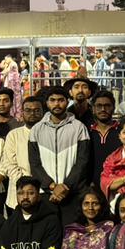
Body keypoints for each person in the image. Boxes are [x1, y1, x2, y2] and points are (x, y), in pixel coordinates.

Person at [29, 85, 92, 226]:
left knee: (71, 240)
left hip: (73, 194)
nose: (56, 104)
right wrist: (51, 186)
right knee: (49, 239)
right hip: (47, 194)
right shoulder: (36, 130)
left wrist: (65, 186)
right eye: (52, 100)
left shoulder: (79, 127)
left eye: (61, 100)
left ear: (67, 101)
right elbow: (34, 163)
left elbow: (82, 162)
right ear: (46, 103)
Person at [2, 95, 44, 211]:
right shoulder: (14, 135)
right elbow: (10, 165)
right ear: (22, 112)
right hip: (18, 193)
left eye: (36, 110)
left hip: (43, 192)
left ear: (43, 112)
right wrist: (27, 188)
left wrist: (40, 186)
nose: (32, 114)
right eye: (28, 110)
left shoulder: (48, 134)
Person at [87, 90, 122, 187]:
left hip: (118, 185)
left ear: (113, 108)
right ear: (93, 109)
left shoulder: (123, 131)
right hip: (92, 188)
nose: (103, 109)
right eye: (99, 106)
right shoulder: (86, 133)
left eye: (107, 105)